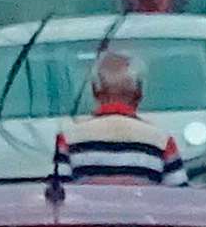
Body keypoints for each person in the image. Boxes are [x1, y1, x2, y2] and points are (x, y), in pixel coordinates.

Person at [54, 45, 182, 185]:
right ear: (139, 92)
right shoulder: (162, 141)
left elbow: (61, 192)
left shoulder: (68, 139)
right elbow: (178, 193)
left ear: (95, 90)